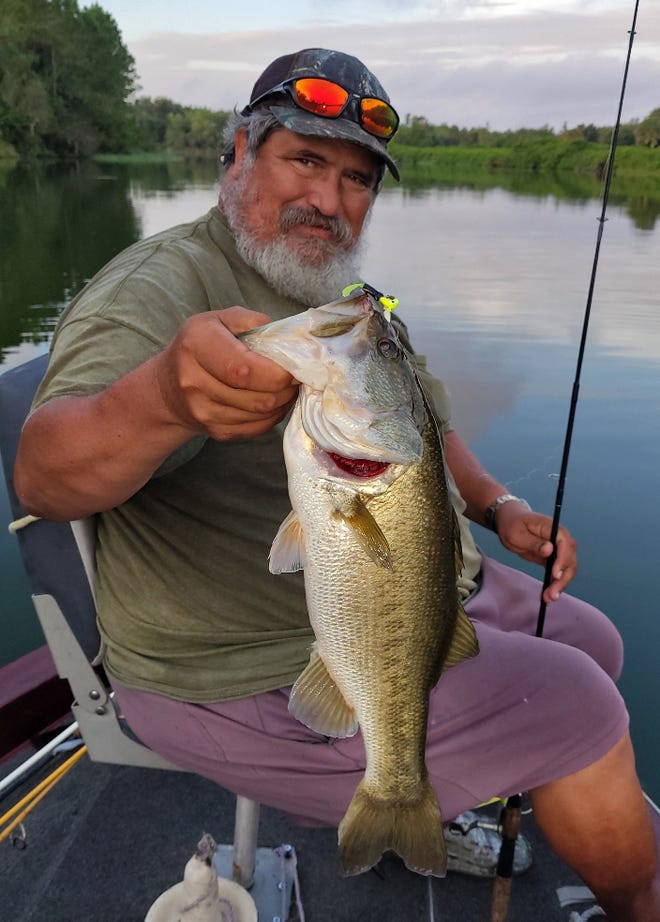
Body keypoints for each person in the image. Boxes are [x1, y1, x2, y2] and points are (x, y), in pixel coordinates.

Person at [13, 48, 659, 920]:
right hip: (232, 663)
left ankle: (492, 774)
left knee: (592, 641)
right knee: (581, 702)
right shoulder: (154, 288)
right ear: (237, 153)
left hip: (388, 590)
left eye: (357, 178)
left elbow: (424, 426)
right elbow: (43, 476)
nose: (330, 197)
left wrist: (499, 508)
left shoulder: (343, 302)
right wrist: (165, 395)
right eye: (305, 159)